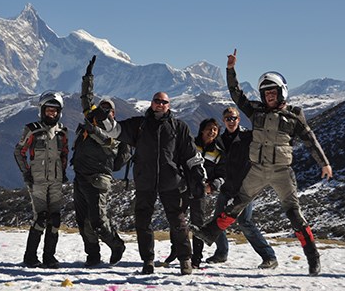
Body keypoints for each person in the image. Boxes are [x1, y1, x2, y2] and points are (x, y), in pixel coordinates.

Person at [193, 49, 333, 276]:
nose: (269, 96)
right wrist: (231, 69)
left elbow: (310, 140)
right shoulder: (255, 111)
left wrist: (324, 163)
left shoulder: (294, 116)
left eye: (273, 92)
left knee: (294, 213)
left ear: (282, 92)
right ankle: (209, 234)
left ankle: (313, 256)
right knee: (237, 203)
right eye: (266, 93)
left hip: (281, 172)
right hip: (257, 170)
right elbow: (236, 94)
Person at [86, 90, 208, 275]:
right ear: (151, 103)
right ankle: (148, 261)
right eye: (156, 101)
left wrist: (197, 174)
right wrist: (102, 117)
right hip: (145, 182)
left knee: (178, 222)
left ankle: (185, 260)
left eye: (164, 102)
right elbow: (115, 130)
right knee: (143, 223)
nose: (160, 104)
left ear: (169, 105)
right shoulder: (139, 125)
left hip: (172, 182)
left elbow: (191, 154)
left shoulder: (178, 127)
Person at [71, 55, 131, 267]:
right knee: (83, 220)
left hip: (99, 178)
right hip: (80, 176)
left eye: (108, 108)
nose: (104, 110)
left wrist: (93, 130)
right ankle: (93, 255)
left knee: (97, 220)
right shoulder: (91, 117)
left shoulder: (117, 130)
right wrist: (88, 76)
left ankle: (116, 244)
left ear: (113, 113)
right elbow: (86, 98)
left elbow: (109, 143)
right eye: (102, 107)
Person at [205, 107, 278, 269]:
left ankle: (269, 256)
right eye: (228, 119)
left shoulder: (248, 137)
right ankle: (221, 253)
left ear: (239, 120)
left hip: (245, 187)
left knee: (244, 221)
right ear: (224, 121)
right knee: (218, 220)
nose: (231, 121)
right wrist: (210, 181)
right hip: (226, 186)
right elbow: (212, 163)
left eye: (234, 118)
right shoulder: (219, 141)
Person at [14, 91, 69, 269]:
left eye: (55, 111)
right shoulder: (32, 129)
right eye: (48, 110)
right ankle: (30, 257)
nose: (51, 114)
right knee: (40, 218)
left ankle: (49, 257)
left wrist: (63, 171)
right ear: (42, 110)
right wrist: (26, 172)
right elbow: (19, 152)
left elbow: (65, 153)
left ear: (59, 112)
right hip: (37, 180)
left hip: (56, 181)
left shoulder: (63, 132)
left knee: (55, 219)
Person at [164, 118, 225, 269]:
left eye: (215, 130)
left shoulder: (218, 151)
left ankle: (196, 258)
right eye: (209, 128)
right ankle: (176, 251)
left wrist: (214, 185)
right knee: (178, 221)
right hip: (183, 188)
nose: (212, 132)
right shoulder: (190, 144)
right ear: (202, 129)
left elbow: (223, 174)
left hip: (201, 191)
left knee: (198, 224)